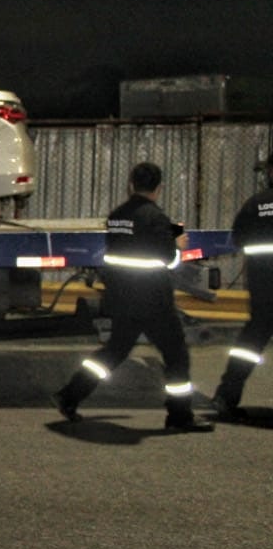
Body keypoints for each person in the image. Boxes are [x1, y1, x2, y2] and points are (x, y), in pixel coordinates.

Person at [52, 161, 212, 431]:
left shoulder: (117, 216)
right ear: (159, 188)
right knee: (177, 355)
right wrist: (178, 246)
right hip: (153, 300)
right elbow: (168, 260)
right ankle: (180, 416)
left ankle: (70, 395)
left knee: (115, 350)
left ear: (130, 185)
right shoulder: (156, 218)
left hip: (123, 296)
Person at [211, 154, 273, 421]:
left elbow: (237, 238)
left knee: (250, 343)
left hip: (263, 286)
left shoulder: (256, 203)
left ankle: (226, 397)